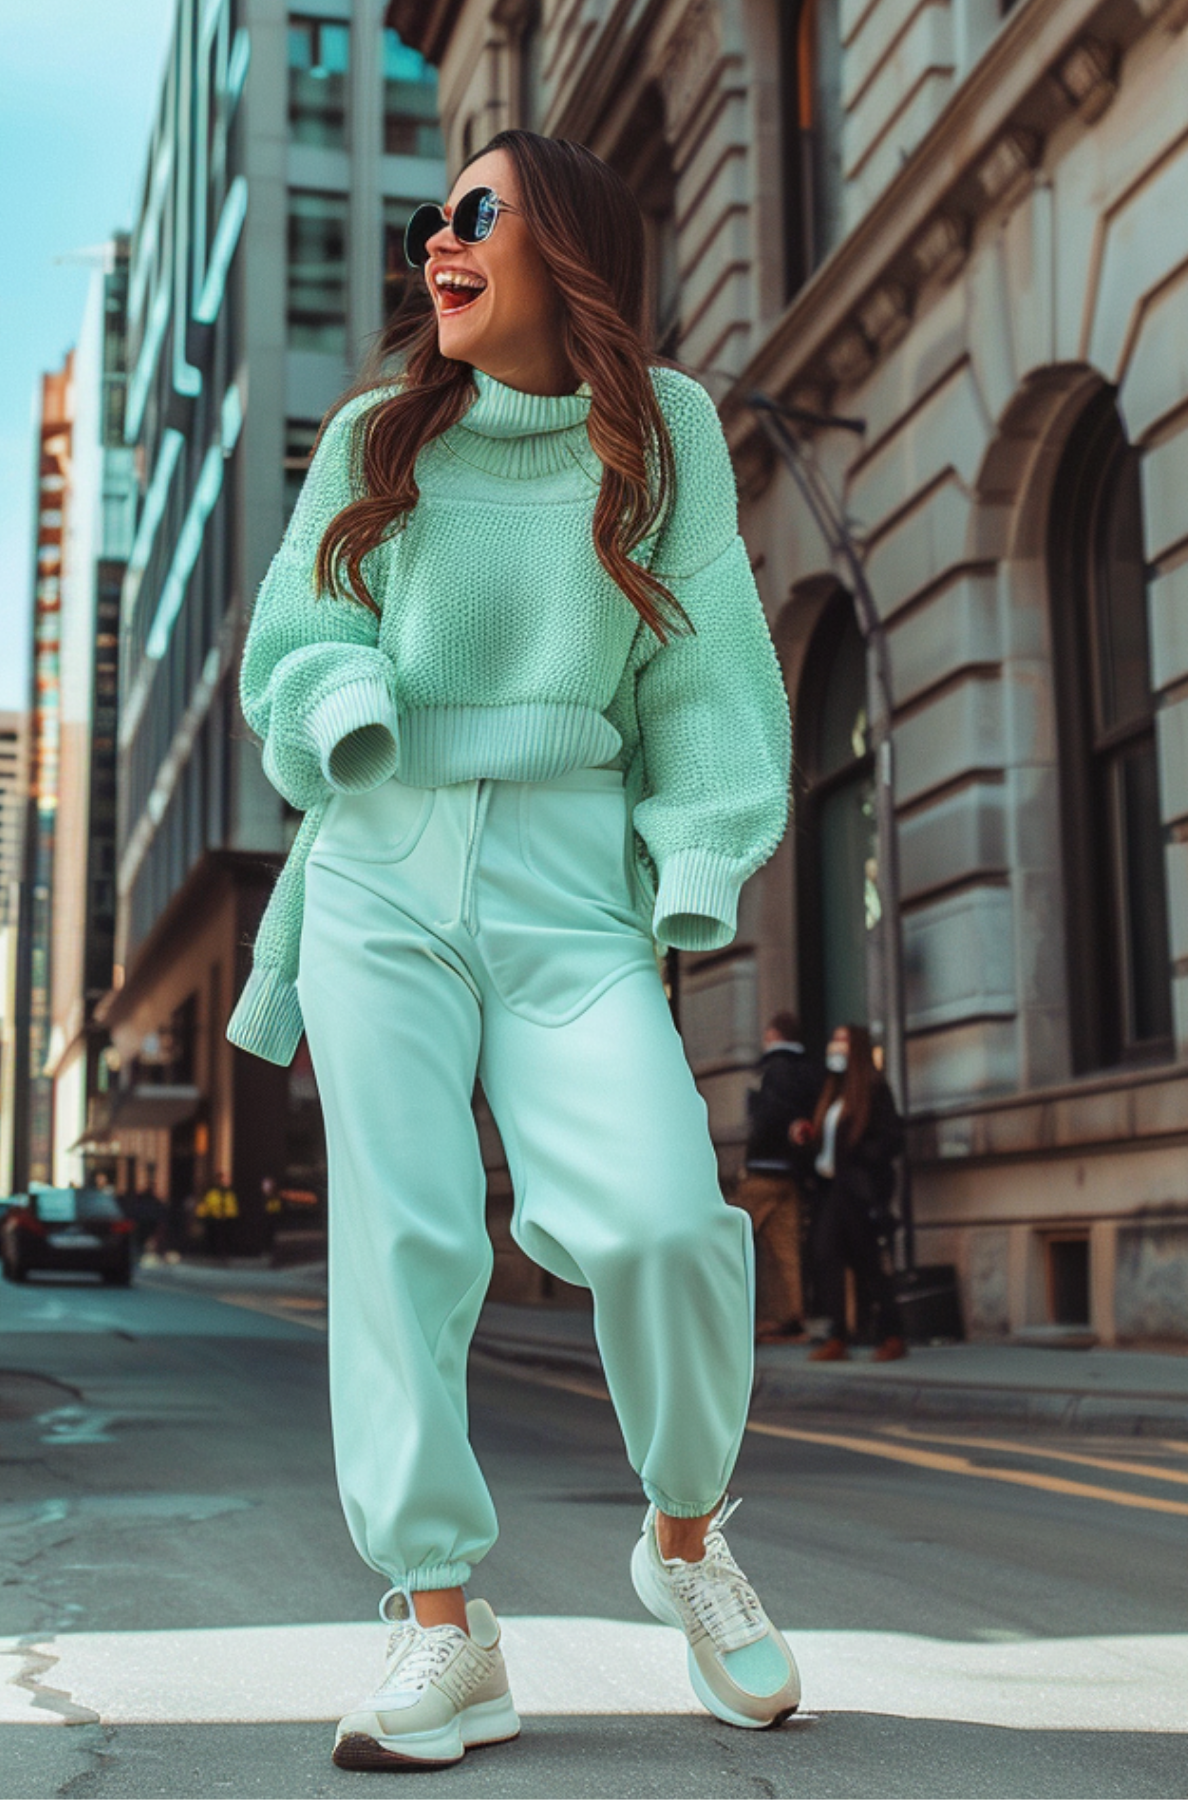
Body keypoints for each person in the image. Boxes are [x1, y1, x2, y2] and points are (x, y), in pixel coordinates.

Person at [224, 129, 801, 1769]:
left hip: (569, 883)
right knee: (403, 1247)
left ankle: (685, 1546)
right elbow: (299, 638)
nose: (438, 240)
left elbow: (706, 679)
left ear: (572, 245)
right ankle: (436, 1624)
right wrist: (343, 710)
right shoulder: (376, 436)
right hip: (382, 861)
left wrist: (695, 857)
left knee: (666, 1221)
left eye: (478, 211)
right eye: (433, 217)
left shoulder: (665, 432)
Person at [790, 1024, 906, 1364]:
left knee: (868, 1262)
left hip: (856, 1190)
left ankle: (892, 1334)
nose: (833, 1047)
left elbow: (890, 1138)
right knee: (825, 1257)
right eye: (833, 1041)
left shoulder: (872, 1089)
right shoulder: (831, 1093)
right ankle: (837, 1335)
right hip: (829, 1189)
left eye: (840, 1041)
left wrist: (859, 1158)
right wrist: (804, 1137)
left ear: (855, 1048)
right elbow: (823, 1147)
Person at [733, 1011, 824, 1342]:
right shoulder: (812, 1071)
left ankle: (726, 1317)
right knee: (786, 1248)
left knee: (732, 1239)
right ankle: (792, 1316)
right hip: (794, 1172)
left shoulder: (769, 1070)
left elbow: (764, 1118)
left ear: (772, 1035)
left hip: (763, 1169)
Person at [196, 1174, 239, 1263]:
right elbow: (206, 1204)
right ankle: (215, 1255)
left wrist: (232, 1215)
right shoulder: (212, 1192)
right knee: (215, 1238)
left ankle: (225, 1255)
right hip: (215, 1219)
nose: (222, 1182)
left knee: (226, 1238)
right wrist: (201, 1215)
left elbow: (232, 1205)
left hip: (227, 1219)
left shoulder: (229, 1193)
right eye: (221, 1180)